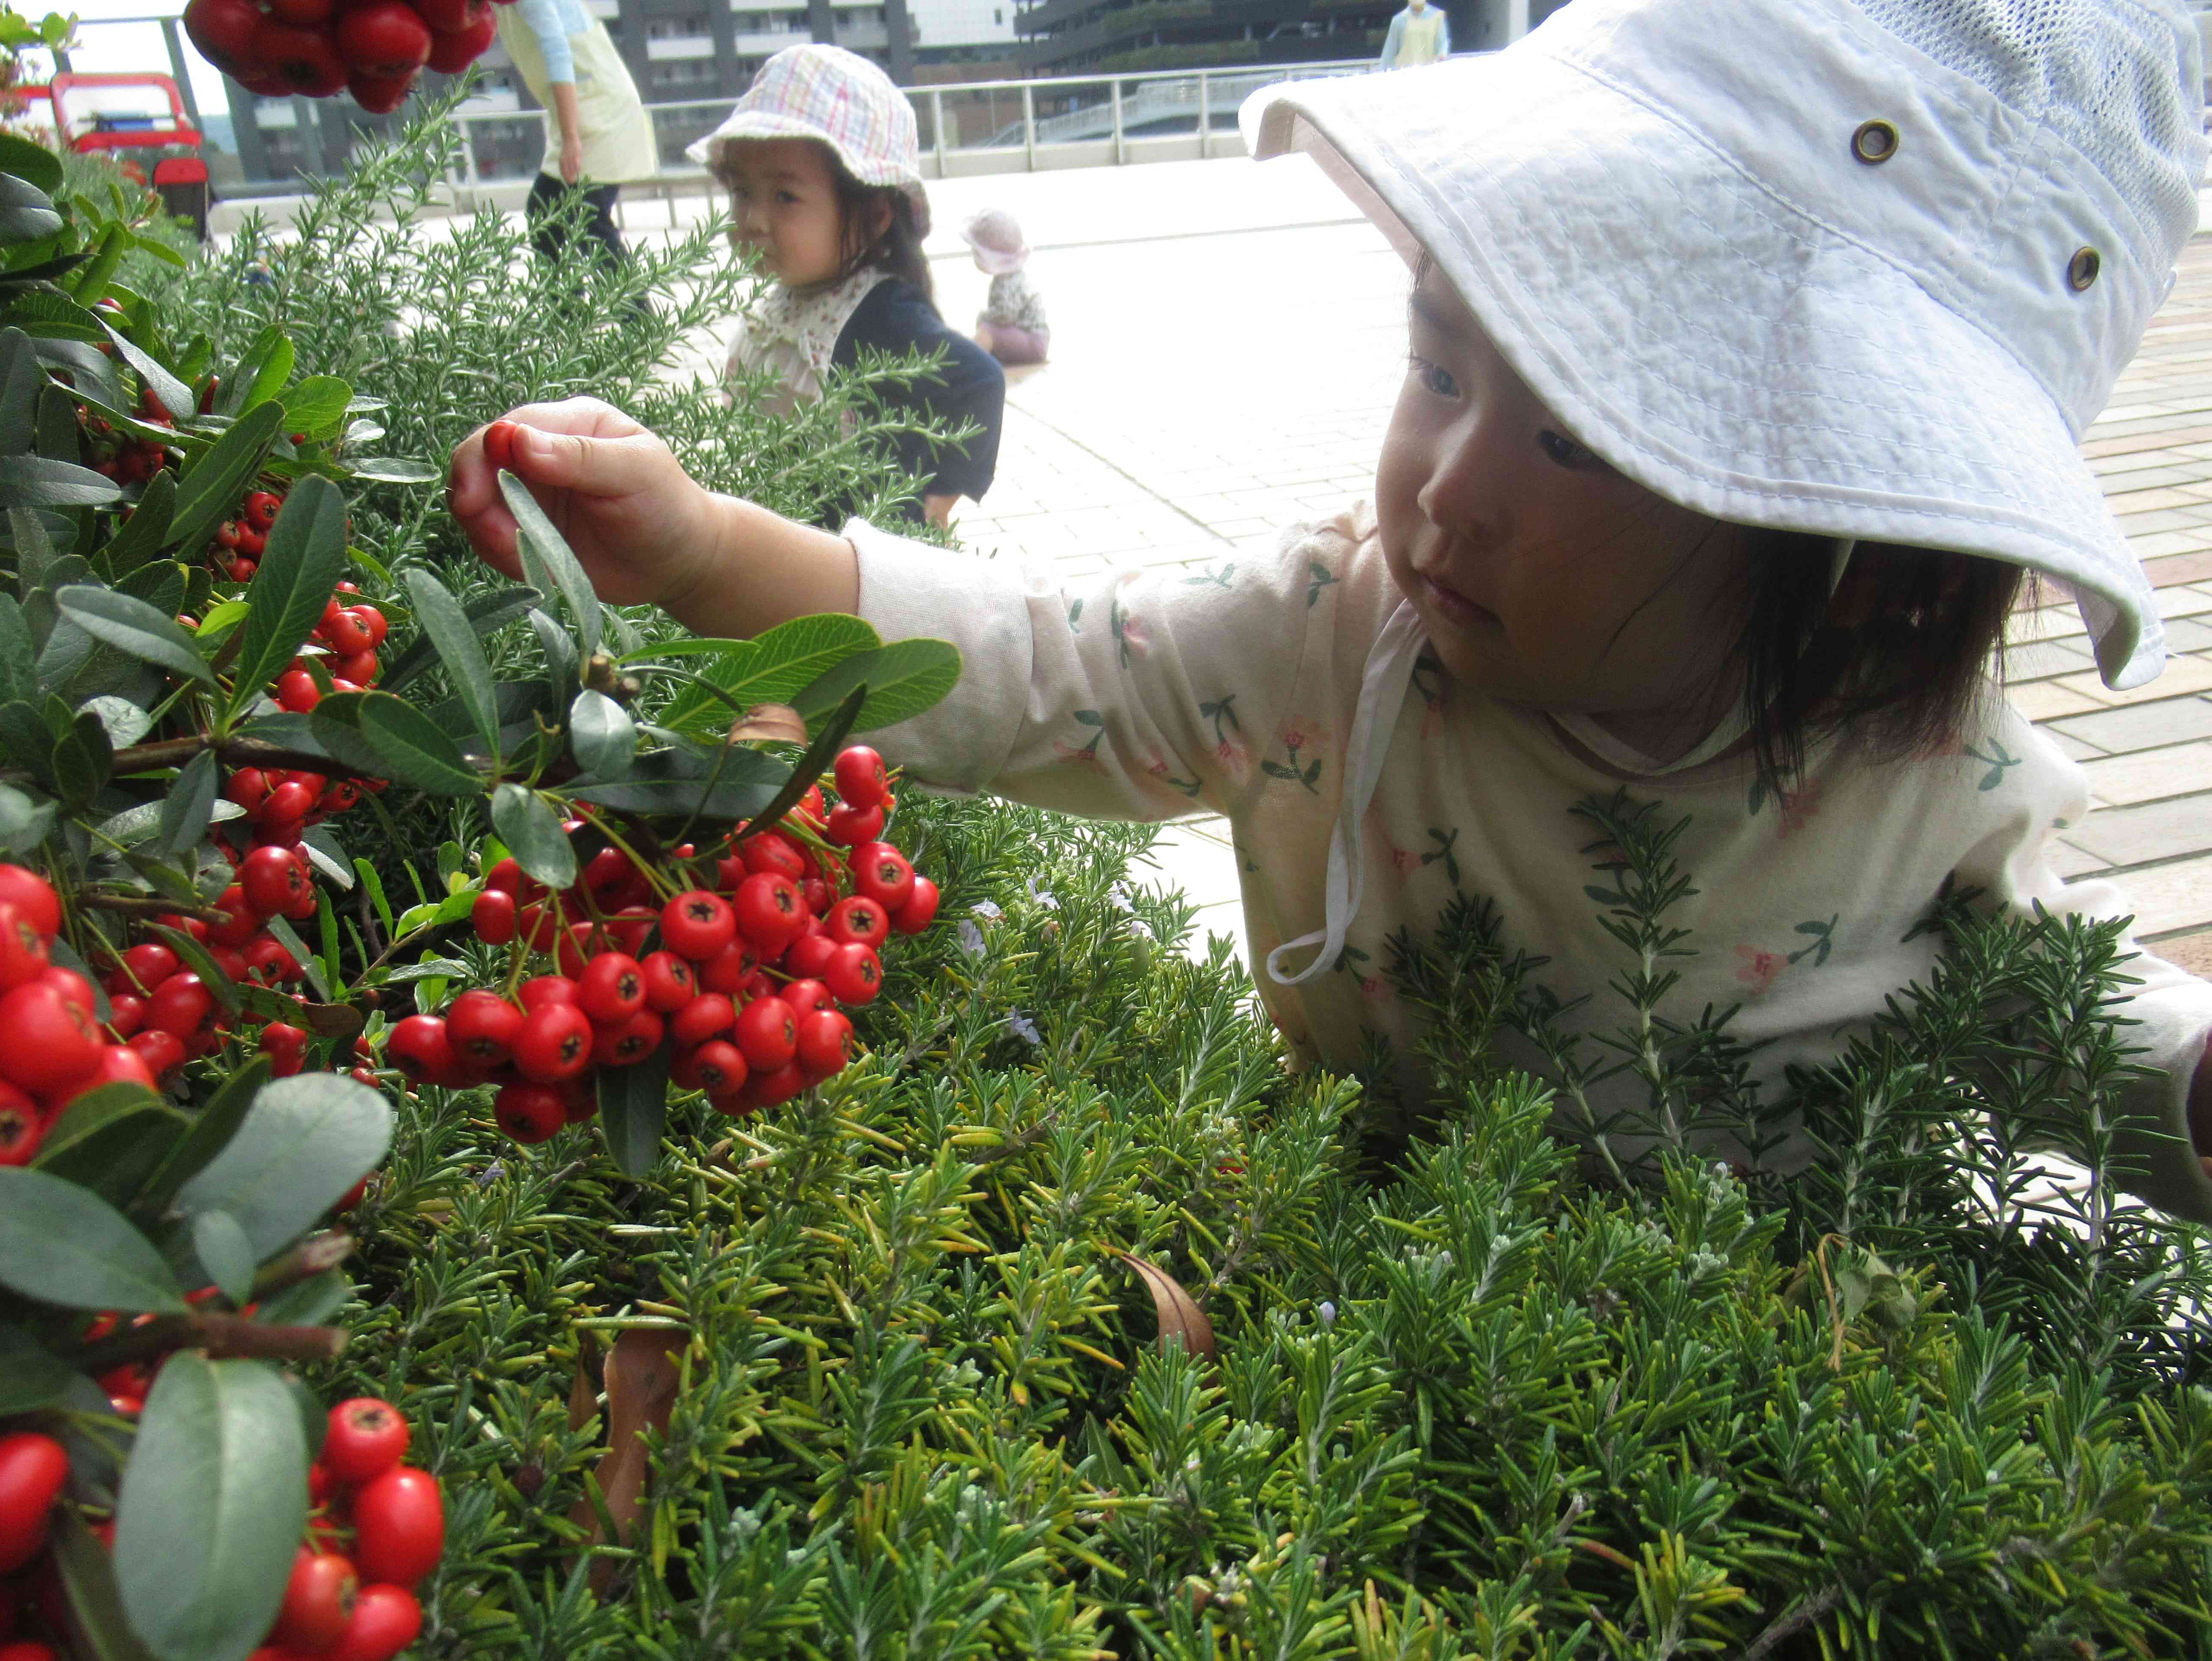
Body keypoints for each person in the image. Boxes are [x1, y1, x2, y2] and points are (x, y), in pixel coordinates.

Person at [448, 0, 2212, 1221]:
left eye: (1586, 436)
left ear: (1856, 547)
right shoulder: (1332, 635)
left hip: (1732, 1395)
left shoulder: (1916, 778)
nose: (1447, 483)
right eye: (1436, 364)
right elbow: (1034, 657)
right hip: (1348, 1307)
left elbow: (2062, 1005)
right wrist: (694, 550)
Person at [692, 44, 1004, 529]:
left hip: (862, 566)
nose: (752, 219)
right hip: (787, 536)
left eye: (784, 196)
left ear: (876, 215)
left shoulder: (880, 313)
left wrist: (936, 500)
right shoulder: (791, 295)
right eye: (741, 191)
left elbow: (979, 380)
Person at [496, 0, 659, 273]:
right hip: (582, 108)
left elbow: (557, 51)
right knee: (545, 213)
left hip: (601, 110)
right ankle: (567, 312)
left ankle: (636, 315)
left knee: (587, 219)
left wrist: (571, 138)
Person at [963, 208, 1050, 367]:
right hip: (1029, 337)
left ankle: (969, 364)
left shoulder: (1008, 283)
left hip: (1033, 342)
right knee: (987, 328)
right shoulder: (1009, 276)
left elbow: (1005, 315)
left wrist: (985, 316)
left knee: (987, 332)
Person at [1378, 0, 1448, 70]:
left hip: (1429, 71)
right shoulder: (1399, 20)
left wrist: (1442, 56)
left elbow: (1442, 43)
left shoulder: (1437, 16)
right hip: (1404, 73)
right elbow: (1389, 52)